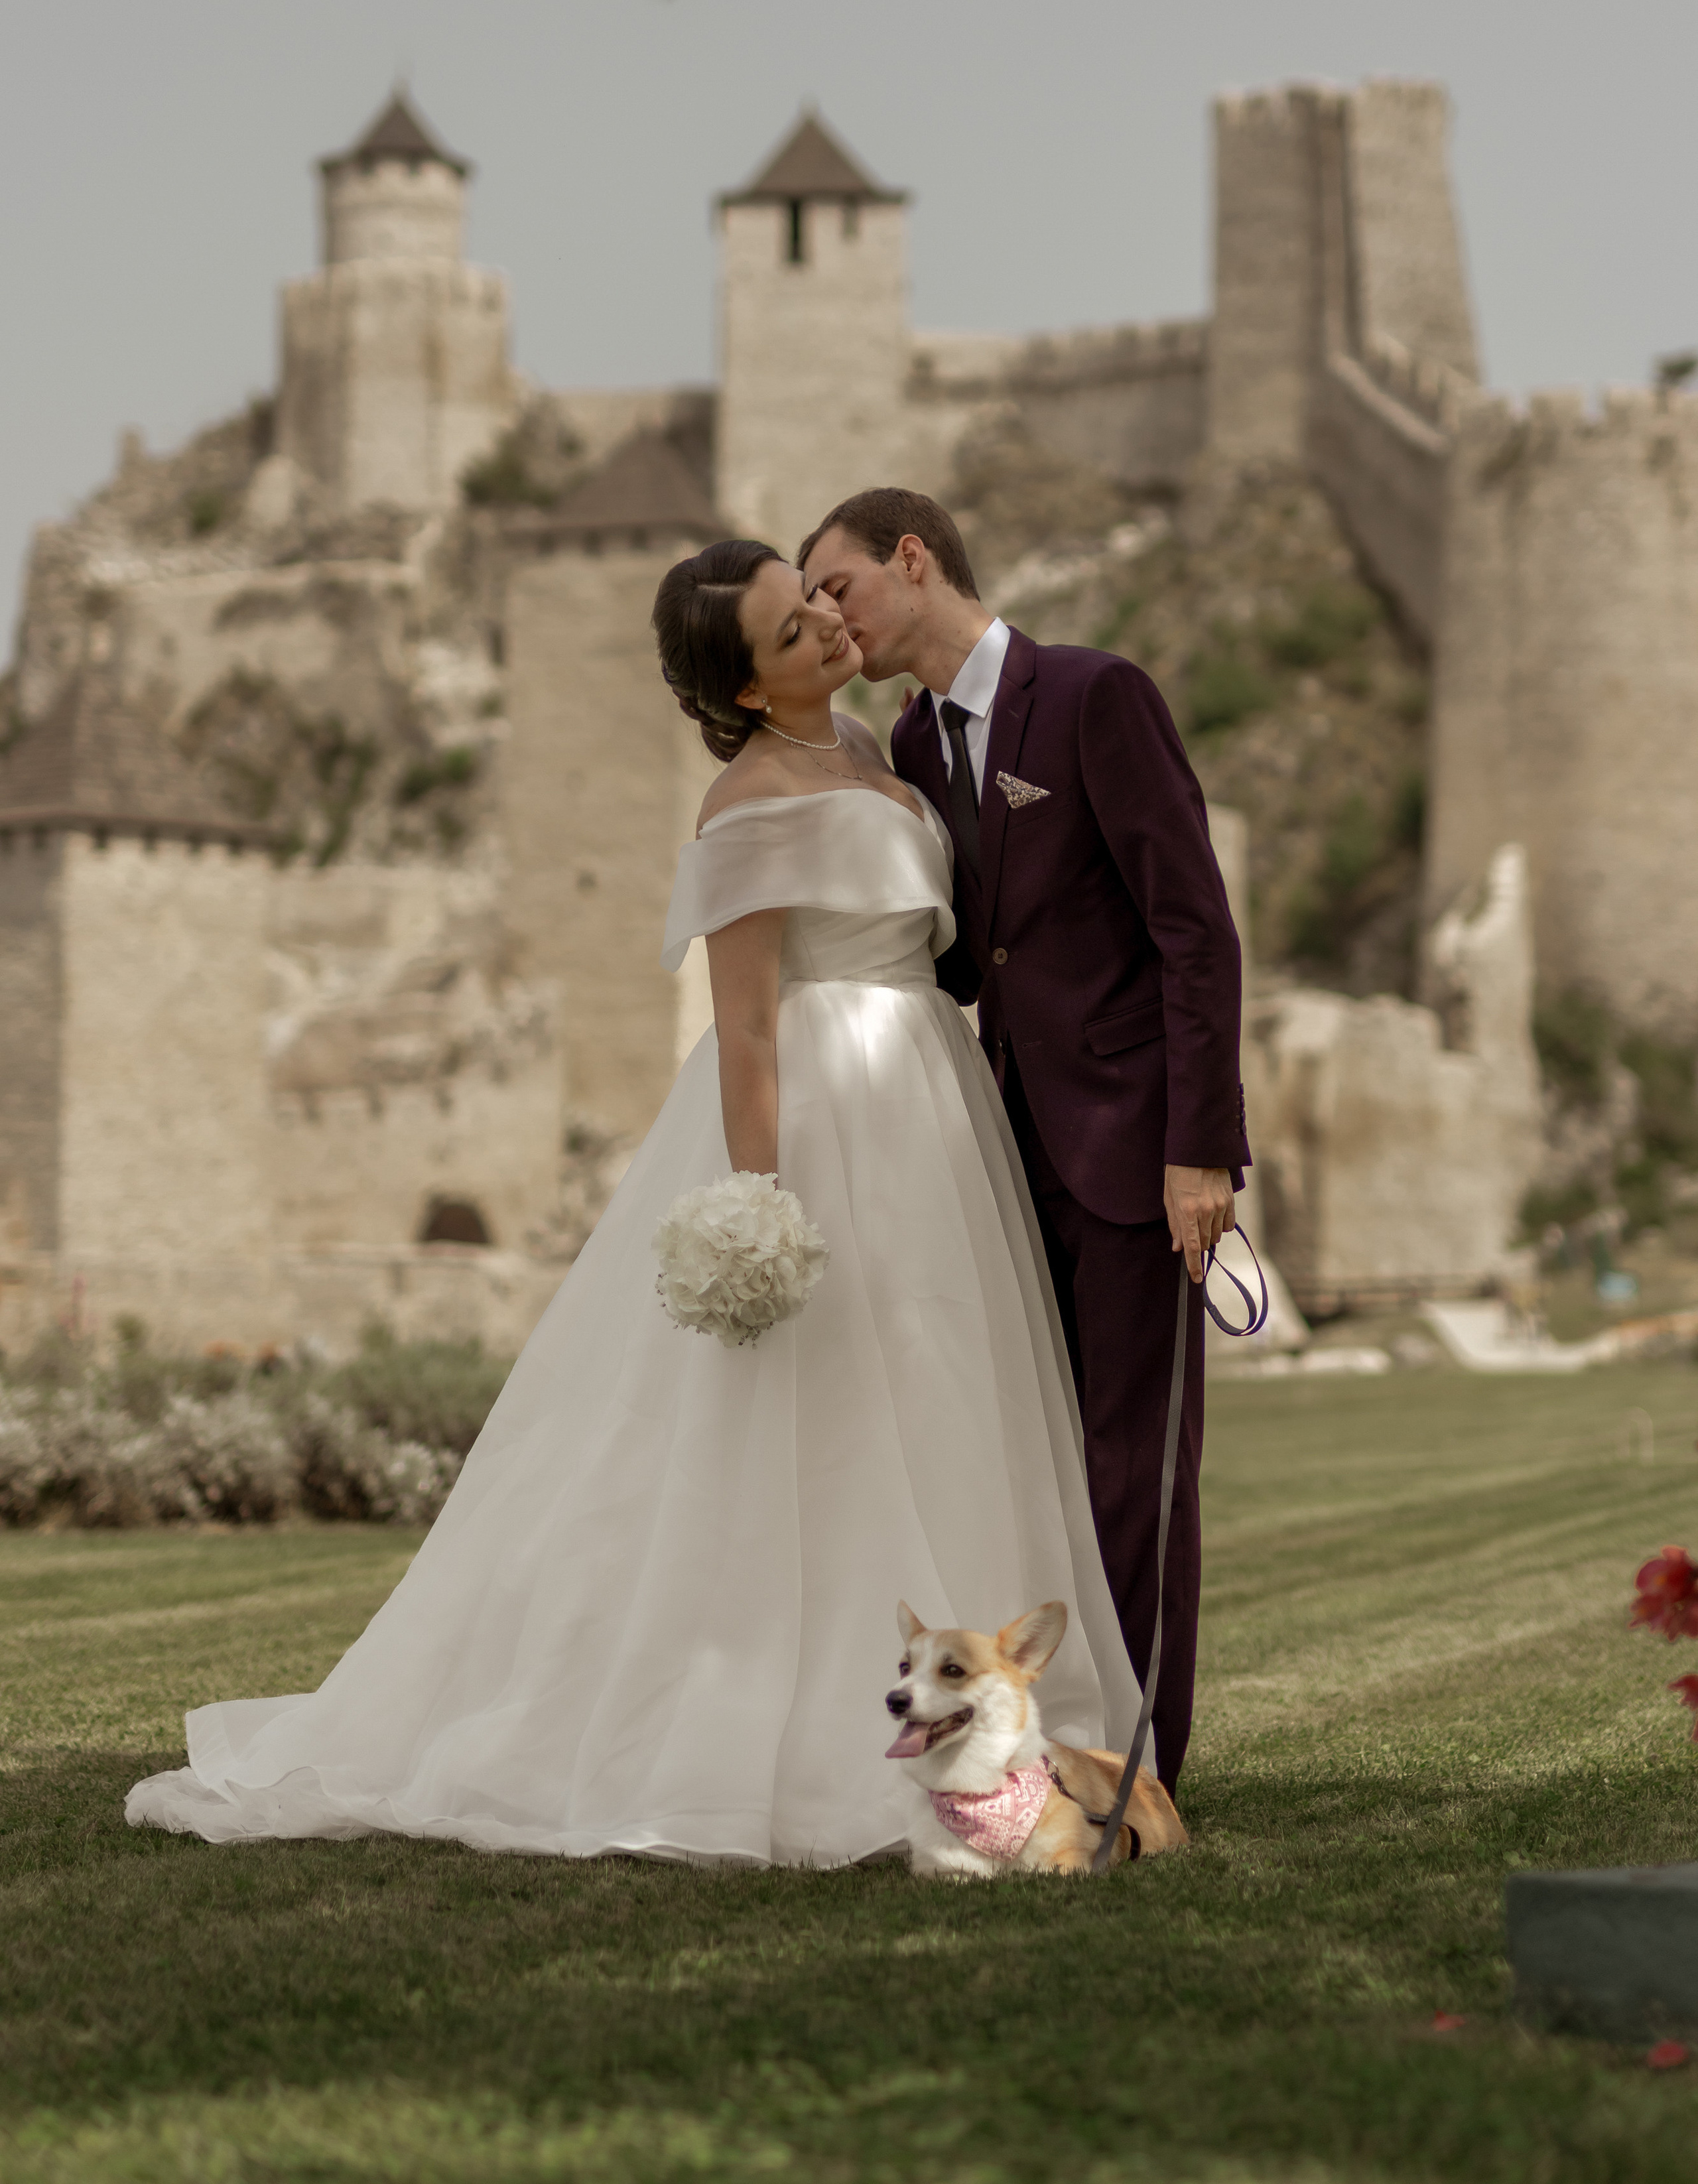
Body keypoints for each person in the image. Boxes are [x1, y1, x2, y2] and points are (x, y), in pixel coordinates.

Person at [126, 539, 1138, 1866]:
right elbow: (746, 1034)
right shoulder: (750, 804)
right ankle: (775, 1725)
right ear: (742, 687)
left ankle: (994, 1737)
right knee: (811, 1422)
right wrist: (763, 1204)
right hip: (828, 1113)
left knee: (943, 1388)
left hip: (929, 1116)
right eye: (789, 636)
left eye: (816, 606)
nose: (826, 632)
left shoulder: (881, 762)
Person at [800, 491, 1248, 1795]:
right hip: (996, 1167)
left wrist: (1199, 1149)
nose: (829, 617)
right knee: (1035, 1468)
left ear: (912, 557)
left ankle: (1140, 1771)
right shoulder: (911, 740)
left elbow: (1194, 931)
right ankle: (1045, 1746)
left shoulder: (1096, 697)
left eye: (837, 588)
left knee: (1132, 1476)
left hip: (1134, 1162)